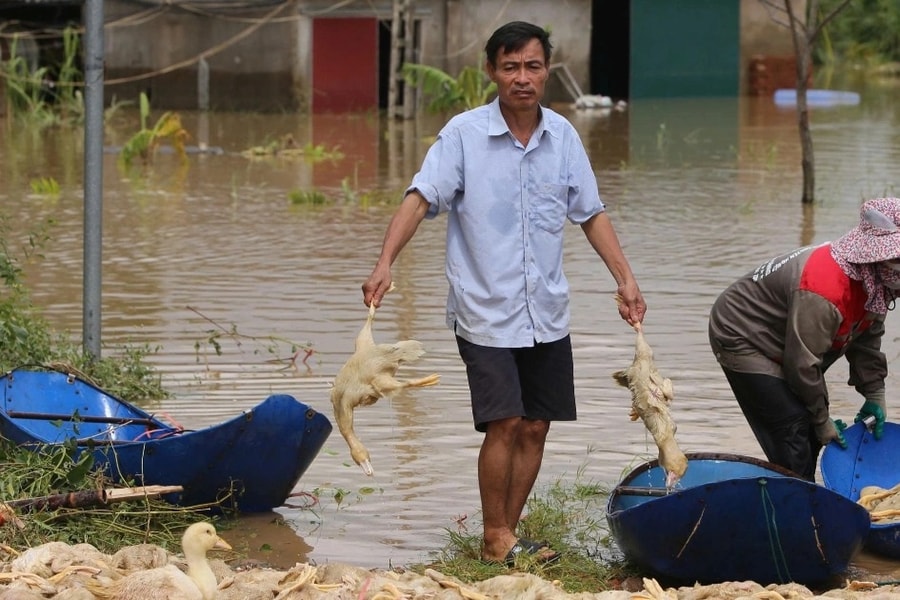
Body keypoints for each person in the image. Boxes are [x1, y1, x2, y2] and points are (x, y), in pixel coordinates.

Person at [361, 21, 645, 565]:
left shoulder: (563, 137)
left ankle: (504, 538)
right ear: (491, 71)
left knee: (536, 426)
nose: (522, 78)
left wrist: (625, 279)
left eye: (532, 66)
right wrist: (384, 262)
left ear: (547, 71)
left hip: (547, 310)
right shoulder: (464, 135)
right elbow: (420, 197)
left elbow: (591, 213)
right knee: (506, 421)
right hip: (484, 308)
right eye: (510, 67)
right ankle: (496, 535)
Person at [708, 196, 900, 481]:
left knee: (810, 428)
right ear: (877, 258)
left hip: (790, 339)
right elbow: (802, 364)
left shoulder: (876, 287)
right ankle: (795, 501)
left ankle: (802, 492)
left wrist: (874, 393)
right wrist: (820, 420)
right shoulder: (825, 291)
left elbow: (866, 340)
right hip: (742, 333)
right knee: (794, 428)